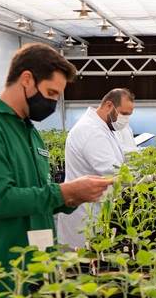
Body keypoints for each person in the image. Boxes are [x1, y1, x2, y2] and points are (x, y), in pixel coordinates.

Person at [0, 43, 113, 298]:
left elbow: (38, 195)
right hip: (0, 272)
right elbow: (0, 201)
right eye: (51, 93)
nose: (52, 103)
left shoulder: (30, 133)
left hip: (38, 264)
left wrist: (77, 195)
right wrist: (65, 192)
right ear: (27, 79)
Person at [58, 88, 135, 248]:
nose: (126, 119)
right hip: (85, 213)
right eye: (124, 113)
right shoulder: (91, 131)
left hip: (97, 209)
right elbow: (113, 172)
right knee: (80, 265)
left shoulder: (103, 127)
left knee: (94, 261)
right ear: (109, 105)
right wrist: (150, 178)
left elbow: (118, 156)